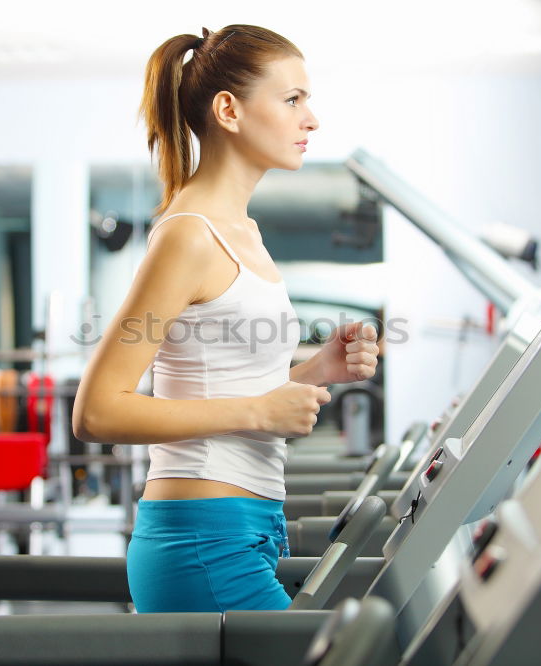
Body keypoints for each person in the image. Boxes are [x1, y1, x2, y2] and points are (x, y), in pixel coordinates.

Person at [72, 24, 380, 613]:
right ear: (228, 111)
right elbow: (96, 410)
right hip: (201, 538)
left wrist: (316, 369)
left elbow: (231, 385)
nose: (311, 119)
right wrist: (260, 409)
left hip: (248, 524)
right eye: (293, 100)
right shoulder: (189, 236)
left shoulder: (244, 234)